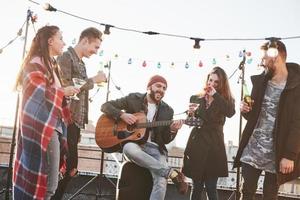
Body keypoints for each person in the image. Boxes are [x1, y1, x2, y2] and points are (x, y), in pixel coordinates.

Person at [13, 25, 79, 199]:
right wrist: (63, 92)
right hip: (42, 129)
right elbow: (37, 91)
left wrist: (65, 94)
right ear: (50, 41)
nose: (64, 43)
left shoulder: (51, 65)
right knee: (47, 185)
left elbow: (51, 95)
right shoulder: (35, 63)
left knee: (48, 184)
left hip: (53, 127)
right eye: (61, 38)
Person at [101, 75, 188, 200]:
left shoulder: (168, 110)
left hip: (155, 148)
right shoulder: (133, 99)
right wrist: (122, 115)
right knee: (129, 149)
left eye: (164, 88)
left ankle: (166, 174)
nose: (161, 90)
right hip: (135, 145)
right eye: (158, 86)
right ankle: (170, 173)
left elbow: (164, 139)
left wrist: (172, 130)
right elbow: (105, 106)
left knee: (161, 181)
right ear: (149, 87)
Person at [233, 40, 300, 199]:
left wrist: (290, 155)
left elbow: (297, 123)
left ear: (276, 57)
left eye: (264, 59)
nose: (261, 63)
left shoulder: (296, 86)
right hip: (252, 150)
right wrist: (245, 110)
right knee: (246, 192)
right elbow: (253, 116)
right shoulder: (261, 82)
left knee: (270, 196)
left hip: (276, 154)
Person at [52, 27, 107, 199]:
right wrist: (94, 80)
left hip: (74, 123)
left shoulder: (81, 63)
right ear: (84, 41)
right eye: (95, 47)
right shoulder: (65, 57)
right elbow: (67, 88)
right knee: (63, 168)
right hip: (63, 121)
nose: (96, 52)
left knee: (70, 168)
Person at [182, 66, 235, 200]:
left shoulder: (225, 100)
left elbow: (230, 112)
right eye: (210, 80)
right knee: (196, 188)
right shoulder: (196, 98)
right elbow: (190, 122)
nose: (211, 84)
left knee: (211, 188)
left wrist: (215, 95)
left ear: (221, 84)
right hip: (197, 144)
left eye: (216, 82)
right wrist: (190, 114)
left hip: (214, 146)